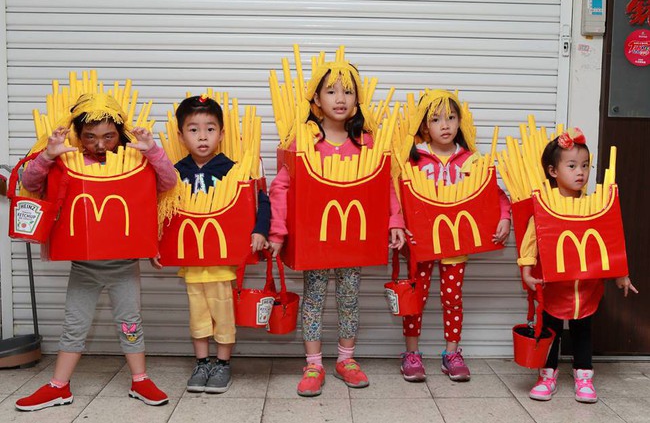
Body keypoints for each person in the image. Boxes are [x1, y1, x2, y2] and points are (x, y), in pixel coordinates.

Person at [16, 93, 177, 411]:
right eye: (90, 136)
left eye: (108, 136)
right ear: (79, 135)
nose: (99, 144)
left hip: (124, 264)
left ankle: (140, 379)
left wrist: (153, 151)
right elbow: (31, 183)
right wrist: (48, 155)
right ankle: (59, 386)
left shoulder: (134, 160)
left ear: (120, 135)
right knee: (74, 324)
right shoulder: (70, 160)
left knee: (130, 321)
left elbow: (169, 181)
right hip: (84, 266)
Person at [268, 60, 406, 397]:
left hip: (353, 239)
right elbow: (281, 187)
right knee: (313, 299)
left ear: (358, 100)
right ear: (316, 99)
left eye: (347, 91)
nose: (340, 98)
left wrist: (395, 221)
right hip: (313, 241)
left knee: (349, 298)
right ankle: (313, 363)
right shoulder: (303, 141)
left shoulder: (367, 143)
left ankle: (346, 359)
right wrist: (277, 231)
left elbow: (384, 185)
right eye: (331, 91)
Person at [155, 94, 270, 394]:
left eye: (210, 128)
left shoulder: (234, 169)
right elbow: (158, 211)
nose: (202, 136)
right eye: (193, 129)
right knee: (197, 313)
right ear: (180, 136)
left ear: (221, 133)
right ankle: (202, 361)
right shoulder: (175, 173)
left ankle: (222, 364)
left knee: (223, 312)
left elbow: (261, 200)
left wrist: (259, 230)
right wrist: (155, 245)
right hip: (192, 264)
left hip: (223, 264)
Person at [399, 90, 511, 383]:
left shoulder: (471, 160)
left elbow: (494, 193)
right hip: (420, 244)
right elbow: (400, 197)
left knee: (453, 298)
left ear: (460, 122)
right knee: (415, 298)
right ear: (425, 127)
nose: (445, 125)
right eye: (436, 120)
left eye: (450, 118)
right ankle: (411, 354)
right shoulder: (413, 160)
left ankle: (452, 353)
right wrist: (399, 224)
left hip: (455, 243)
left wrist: (504, 216)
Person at [518, 128, 637, 403]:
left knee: (583, 331)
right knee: (550, 332)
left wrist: (621, 274)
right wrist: (526, 269)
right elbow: (532, 237)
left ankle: (584, 378)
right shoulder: (547, 205)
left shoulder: (595, 205)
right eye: (571, 166)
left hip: (585, 287)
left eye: (584, 165)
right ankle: (547, 376)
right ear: (552, 170)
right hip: (554, 288)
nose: (580, 172)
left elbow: (610, 239)